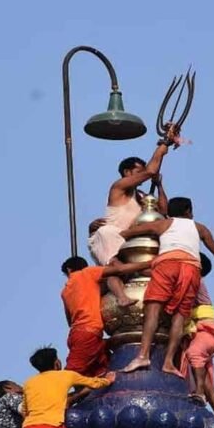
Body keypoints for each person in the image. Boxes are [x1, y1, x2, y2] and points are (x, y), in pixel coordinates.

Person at [120, 197, 214, 376]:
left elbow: (128, 233)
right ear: (188, 211)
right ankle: (169, 362)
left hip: (167, 265)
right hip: (191, 269)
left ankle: (143, 355)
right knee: (180, 316)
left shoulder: (163, 224)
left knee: (153, 309)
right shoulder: (199, 228)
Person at [87, 128, 180, 306]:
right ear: (127, 173)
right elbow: (151, 170)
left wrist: (159, 186)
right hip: (111, 237)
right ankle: (122, 297)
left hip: (131, 244)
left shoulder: (142, 197)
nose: (143, 175)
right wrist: (164, 145)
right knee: (114, 269)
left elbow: (163, 211)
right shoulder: (119, 188)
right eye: (139, 172)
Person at [61, 255, 150, 378]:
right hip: (88, 333)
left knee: (100, 374)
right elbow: (120, 270)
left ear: (69, 270)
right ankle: (55, 393)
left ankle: (79, 395)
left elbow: (70, 321)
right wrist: (149, 263)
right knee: (70, 375)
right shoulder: (87, 273)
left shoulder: (65, 291)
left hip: (78, 334)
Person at [181, 255, 214, 419]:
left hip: (206, 331)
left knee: (194, 354)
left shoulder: (194, 280)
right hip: (201, 332)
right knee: (206, 377)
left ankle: (199, 394)